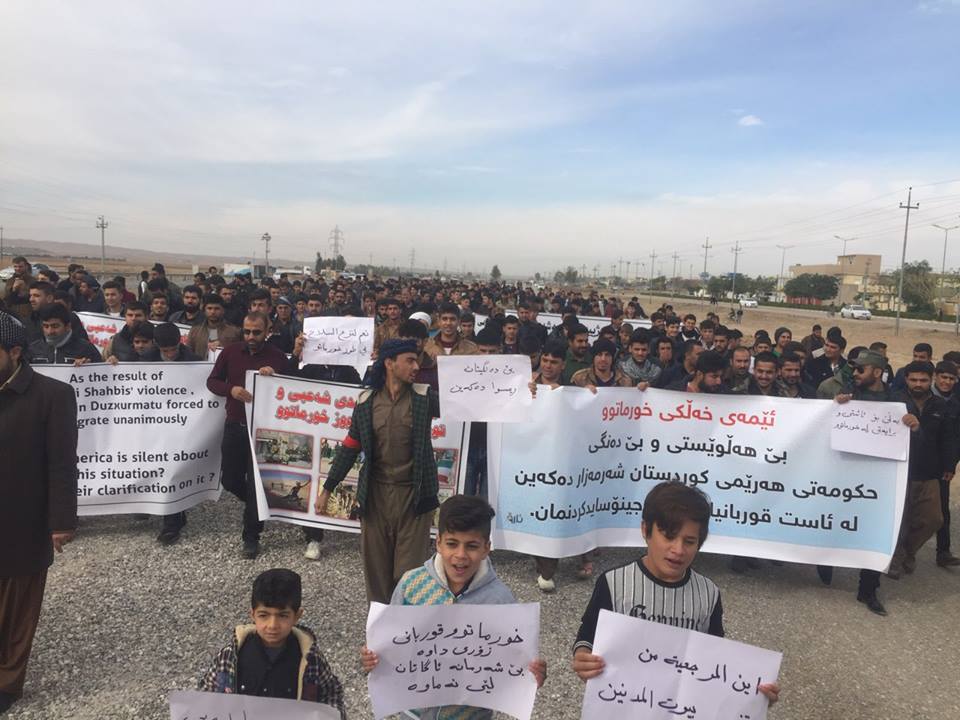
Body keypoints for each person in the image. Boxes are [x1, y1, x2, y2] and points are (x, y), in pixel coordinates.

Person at [571, 481, 779, 704]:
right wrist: (582, 655)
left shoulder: (708, 595)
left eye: (689, 541)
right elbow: (588, 636)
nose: (678, 550)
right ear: (645, 530)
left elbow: (715, 664)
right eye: (669, 536)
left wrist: (752, 692)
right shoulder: (614, 584)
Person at [360, 495, 546, 720]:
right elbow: (390, 645)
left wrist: (531, 675)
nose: (460, 555)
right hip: (414, 714)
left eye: (472, 546)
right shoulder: (411, 585)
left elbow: (514, 664)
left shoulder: (500, 601)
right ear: (438, 542)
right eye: (451, 543)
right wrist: (374, 658)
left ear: (487, 547)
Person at [316, 339, 441, 603]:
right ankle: (380, 634)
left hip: (414, 499)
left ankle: (405, 634)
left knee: (408, 574)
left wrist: (526, 392)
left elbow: (472, 403)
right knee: (377, 573)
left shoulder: (424, 397)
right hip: (375, 498)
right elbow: (350, 446)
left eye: (417, 360)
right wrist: (327, 488)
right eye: (409, 360)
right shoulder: (366, 402)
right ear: (389, 363)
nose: (415, 366)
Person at [0, 312, 78, 713]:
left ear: (14, 352)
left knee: (17, 611)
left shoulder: (53, 396)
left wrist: (61, 521)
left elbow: (62, 463)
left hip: (23, 520)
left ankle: (8, 682)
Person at [198, 568, 345, 718]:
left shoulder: (310, 660)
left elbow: (330, 694)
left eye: (282, 615)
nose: (272, 625)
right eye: (264, 615)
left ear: (297, 616)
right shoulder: (230, 656)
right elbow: (207, 694)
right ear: (252, 615)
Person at [817, 349, 899, 615]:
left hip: (878, 480)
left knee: (874, 533)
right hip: (845, 474)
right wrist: (834, 407)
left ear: (877, 372)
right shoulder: (850, 397)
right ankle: (825, 560)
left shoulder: (895, 400)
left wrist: (913, 425)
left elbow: (908, 441)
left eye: (860, 370)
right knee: (834, 520)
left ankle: (868, 590)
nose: (854, 374)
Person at [207, 312, 292, 558]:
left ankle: (251, 536)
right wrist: (230, 389)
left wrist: (275, 377)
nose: (251, 337)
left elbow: (290, 389)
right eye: (247, 331)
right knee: (231, 480)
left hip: (264, 430)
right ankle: (261, 504)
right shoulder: (230, 352)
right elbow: (212, 381)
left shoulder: (277, 357)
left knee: (256, 485)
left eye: (256, 332)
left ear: (268, 330)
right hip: (235, 424)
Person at [888, 361, 954, 578]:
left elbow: (947, 438)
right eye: (914, 380)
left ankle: (908, 550)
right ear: (906, 379)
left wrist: (949, 465)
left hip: (929, 472)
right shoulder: (894, 400)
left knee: (934, 519)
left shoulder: (940, 405)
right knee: (900, 519)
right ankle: (896, 558)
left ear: (931, 380)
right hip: (900, 471)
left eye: (923, 380)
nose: (918, 384)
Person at [153, 323, 202, 544]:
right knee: (164, 471)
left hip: (184, 426)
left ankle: (174, 519)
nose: (170, 354)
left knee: (176, 472)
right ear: (157, 346)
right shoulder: (143, 362)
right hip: (156, 426)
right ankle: (172, 519)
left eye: (173, 349)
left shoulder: (195, 362)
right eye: (166, 350)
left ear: (180, 343)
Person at [931, 360, 960, 567]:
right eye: (944, 377)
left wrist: (951, 465)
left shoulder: (956, 405)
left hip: (942, 467)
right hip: (918, 462)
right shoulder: (924, 397)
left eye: (951, 379)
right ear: (936, 376)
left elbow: (955, 438)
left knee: (943, 510)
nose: (947, 382)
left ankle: (943, 552)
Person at [27, 304, 103, 365]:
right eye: (46, 326)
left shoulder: (85, 348)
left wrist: (87, 368)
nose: (50, 331)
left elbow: (101, 375)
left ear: (68, 326)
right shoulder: (33, 349)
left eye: (55, 326)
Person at [187, 293, 237, 359]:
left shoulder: (234, 332)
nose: (213, 312)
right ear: (204, 310)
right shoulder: (195, 331)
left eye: (217, 309)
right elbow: (188, 354)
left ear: (223, 310)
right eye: (209, 308)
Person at [1, 256, 34, 321]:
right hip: (12, 313)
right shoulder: (10, 280)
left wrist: (24, 289)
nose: (18, 269)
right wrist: (13, 289)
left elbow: (33, 297)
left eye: (20, 266)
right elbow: (7, 298)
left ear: (26, 266)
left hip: (27, 313)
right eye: (15, 266)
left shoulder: (32, 281)